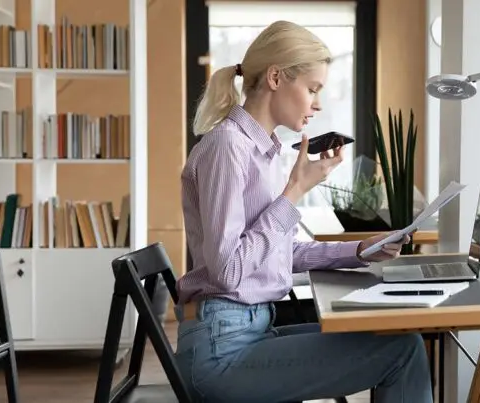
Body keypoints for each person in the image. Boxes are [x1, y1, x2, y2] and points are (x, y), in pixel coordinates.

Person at [174, 20, 432, 403]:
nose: (318, 103)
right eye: (312, 89)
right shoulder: (227, 148)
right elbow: (228, 272)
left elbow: (279, 251)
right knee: (402, 350)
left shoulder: (266, 152)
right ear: (276, 77)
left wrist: (361, 251)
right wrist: (294, 192)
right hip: (221, 353)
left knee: (396, 339)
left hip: (251, 330)